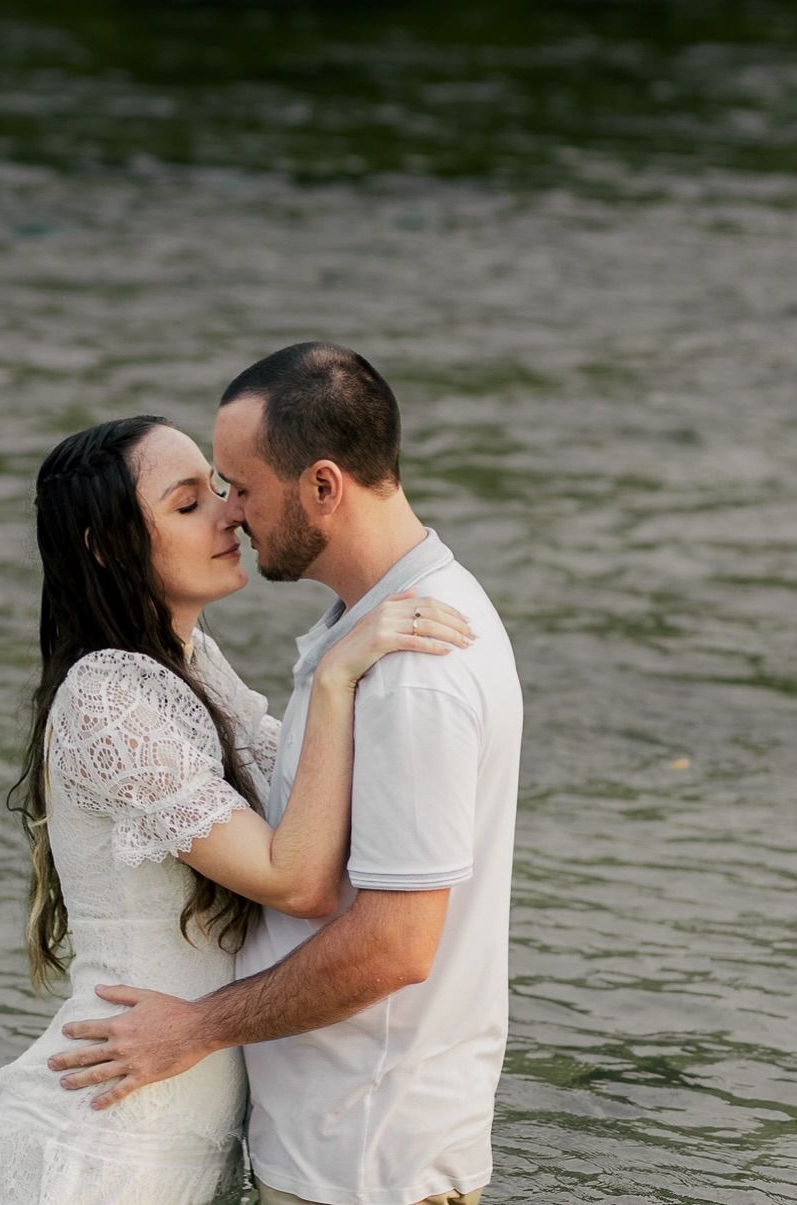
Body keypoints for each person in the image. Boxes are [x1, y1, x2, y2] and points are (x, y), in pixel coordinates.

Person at [49, 344, 524, 1205]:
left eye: (234, 486)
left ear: (323, 488)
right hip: (252, 1130)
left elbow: (393, 941)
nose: (231, 513)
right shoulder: (360, 633)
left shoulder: (411, 668)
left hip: (362, 1157)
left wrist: (198, 1028)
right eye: (198, 497)